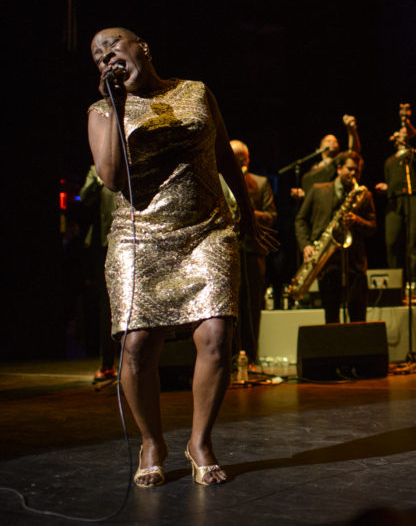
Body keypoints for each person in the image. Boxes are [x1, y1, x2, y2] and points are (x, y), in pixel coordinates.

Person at [87, 27, 274, 487]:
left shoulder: (195, 91)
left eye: (113, 46)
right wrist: (116, 107)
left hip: (207, 228)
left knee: (216, 334)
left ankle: (200, 441)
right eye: (96, 56)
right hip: (139, 235)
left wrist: (246, 213)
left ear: (142, 48)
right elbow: (111, 179)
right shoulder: (100, 112)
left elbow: (224, 153)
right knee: (136, 346)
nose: (106, 56)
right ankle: (152, 442)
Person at [295, 151, 376, 324]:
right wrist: (306, 245)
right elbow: (300, 220)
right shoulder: (317, 190)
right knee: (331, 317)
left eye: (357, 171)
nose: (354, 174)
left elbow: (373, 227)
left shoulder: (363, 195)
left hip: (354, 263)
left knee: (358, 317)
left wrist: (357, 221)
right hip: (327, 262)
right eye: (350, 169)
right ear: (339, 168)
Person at [220, 140, 277, 362]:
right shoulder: (218, 180)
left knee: (252, 305)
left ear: (247, 159)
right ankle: (229, 357)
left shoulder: (260, 183)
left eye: (241, 158)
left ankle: (251, 358)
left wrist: (248, 213)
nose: (239, 161)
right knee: (228, 307)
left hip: (252, 252)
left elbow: (272, 216)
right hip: (225, 253)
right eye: (234, 157)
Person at [375, 106, 416, 296]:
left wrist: (405, 122)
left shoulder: (415, 154)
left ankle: (414, 285)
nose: (401, 135)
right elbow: (392, 182)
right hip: (395, 201)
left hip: (415, 197)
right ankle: (395, 285)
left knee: (413, 243)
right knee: (392, 242)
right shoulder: (390, 161)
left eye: (404, 134)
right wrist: (386, 187)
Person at [79, 165, 119, 383]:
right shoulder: (97, 170)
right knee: (108, 305)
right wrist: (99, 178)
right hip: (105, 244)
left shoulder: (135, 161)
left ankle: (138, 361)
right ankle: (107, 365)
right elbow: (84, 198)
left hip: (133, 241)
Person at [290, 115, 362, 200]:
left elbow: (353, 151)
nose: (332, 143)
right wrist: (304, 194)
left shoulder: (338, 162)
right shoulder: (314, 168)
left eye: (335, 141)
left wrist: (351, 130)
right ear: (319, 149)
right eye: (328, 141)